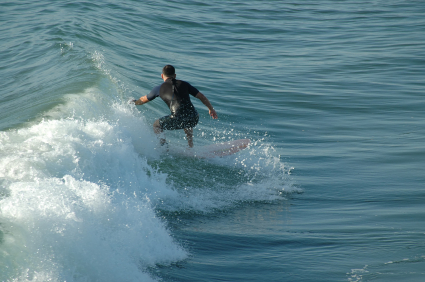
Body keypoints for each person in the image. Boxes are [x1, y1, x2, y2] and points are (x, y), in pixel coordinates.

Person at [134, 65, 218, 147]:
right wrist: (211, 109)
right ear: (175, 76)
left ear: (162, 76)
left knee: (156, 125)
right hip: (194, 117)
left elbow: (143, 100)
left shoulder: (158, 88)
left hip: (178, 118)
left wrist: (135, 102)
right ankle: (190, 146)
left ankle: (163, 147)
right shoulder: (184, 84)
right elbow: (202, 96)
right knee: (186, 115)